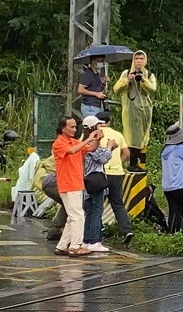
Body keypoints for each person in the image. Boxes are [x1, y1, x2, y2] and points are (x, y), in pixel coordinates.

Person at [52, 116, 102, 257]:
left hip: (74, 183)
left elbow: (91, 148)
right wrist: (88, 138)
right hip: (68, 183)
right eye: (72, 127)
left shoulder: (74, 141)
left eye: (75, 126)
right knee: (78, 216)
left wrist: (97, 138)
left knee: (72, 217)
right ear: (63, 128)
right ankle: (75, 246)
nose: (75, 129)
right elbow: (73, 150)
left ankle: (62, 246)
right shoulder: (59, 143)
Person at [94, 110, 134, 245]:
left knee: (97, 203)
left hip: (101, 172)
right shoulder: (118, 134)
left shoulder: (96, 135)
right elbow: (127, 153)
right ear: (109, 122)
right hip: (117, 173)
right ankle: (127, 230)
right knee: (117, 203)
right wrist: (118, 162)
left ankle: (97, 231)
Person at [113, 50, 157, 171]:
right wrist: (128, 79)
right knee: (131, 136)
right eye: (136, 58)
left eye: (141, 59)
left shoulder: (149, 74)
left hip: (145, 111)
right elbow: (116, 89)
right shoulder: (126, 73)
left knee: (142, 137)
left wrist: (143, 79)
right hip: (130, 109)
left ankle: (138, 163)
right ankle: (132, 163)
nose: (138, 61)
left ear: (145, 61)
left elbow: (153, 89)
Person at [80, 116, 116, 254]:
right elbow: (102, 158)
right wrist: (109, 146)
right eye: (97, 125)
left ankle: (87, 240)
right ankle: (94, 240)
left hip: (87, 181)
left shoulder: (83, 141)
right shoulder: (92, 143)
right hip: (95, 180)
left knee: (90, 211)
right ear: (92, 128)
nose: (100, 128)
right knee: (96, 211)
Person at [160, 125, 183, 233]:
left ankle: (172, 231)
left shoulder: (164, 151)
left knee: (173, 210)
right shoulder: (180, 149)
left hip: (168, 186)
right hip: (182, 185)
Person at [76, 55, 109, 119]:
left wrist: (103, 82)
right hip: (90, 106)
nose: (101, 63)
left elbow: (96, 88)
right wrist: (96, 94)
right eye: (99, 61)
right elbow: (80, 90)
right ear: (92, 61)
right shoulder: (88, 74)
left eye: (102, 61)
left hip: (97, 105)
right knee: (93, 126)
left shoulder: (96, 74)